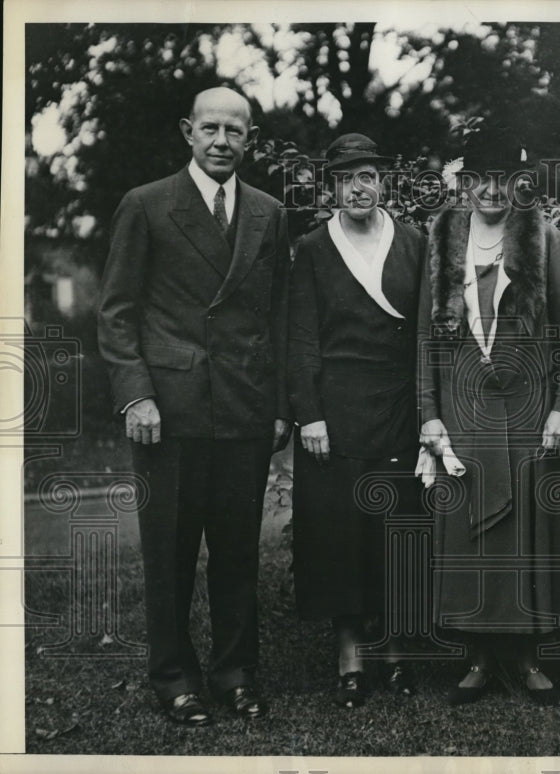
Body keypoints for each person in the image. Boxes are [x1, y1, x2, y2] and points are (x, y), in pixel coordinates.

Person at [97, 87, 291, 726]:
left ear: (250, 140)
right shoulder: (146, 205)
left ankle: (236, 673)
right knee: (171, 552)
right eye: (210, 128)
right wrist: (137, 394)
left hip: (244, 407)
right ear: (187, 131)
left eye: (235, 132)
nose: (221, 142)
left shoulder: (267, 212)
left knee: (237, 553)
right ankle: (174, 677)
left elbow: (280, 316)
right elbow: (118, 312)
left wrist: (282, 402)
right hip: (169, 412)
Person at [417, 128, 560, 705]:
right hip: (464, 409)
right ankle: (478, 657)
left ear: (520, 185)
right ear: (464, 182)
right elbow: (426, 339)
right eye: (480, 179)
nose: (491, 191)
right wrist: (430, 414)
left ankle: (529, 655)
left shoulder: (543, 238)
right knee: (470, 539)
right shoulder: (442, 240)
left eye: (504, 180)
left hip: (528, 408)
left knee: (524, 536)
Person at [286, 133, 425, 707]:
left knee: (393, 530)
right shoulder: (314, 248)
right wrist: (309, 416)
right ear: (333, 187)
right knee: (339, 535)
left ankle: (394, 654)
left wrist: (430, 414)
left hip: (398, 407)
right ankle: (350, 657)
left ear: (382, 181)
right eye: (347, 179)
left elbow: (425, 333)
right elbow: (299, 336)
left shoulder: (415, 242)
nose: (359, 187)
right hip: (336, 412)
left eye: (368, 175)